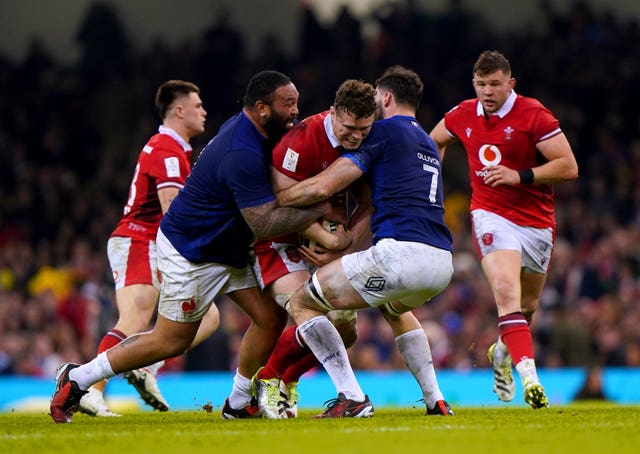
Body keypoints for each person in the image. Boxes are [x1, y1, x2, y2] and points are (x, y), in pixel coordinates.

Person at [50, 70, 332, 423]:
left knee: (269, 316)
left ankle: (238, 402)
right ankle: (79, 378)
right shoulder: (240, 152)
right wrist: (319, 210)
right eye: (288, 103)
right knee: (170, 341)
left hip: (226, 246)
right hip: (194, 252)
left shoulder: (257, 133)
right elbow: (262, 222)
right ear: (262, 108)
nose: (296, 111)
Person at [253, 77, 453, 418]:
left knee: (303, 301)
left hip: (399, 253)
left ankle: (324, 390)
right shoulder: (426, 141)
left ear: (385, 98)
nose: (359, 134)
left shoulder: (384, 133)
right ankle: (436, 400)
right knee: (391, 311)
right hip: (440, 262)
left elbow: (323, 187)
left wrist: (273, 202)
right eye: (351, 126)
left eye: (366, 123)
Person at [429, 50, 579, 409]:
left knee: (527, 307)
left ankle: (501, 353)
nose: (487, 91)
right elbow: (434, 141)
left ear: (510, 83)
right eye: (481, 84)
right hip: (490, 214)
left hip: (537, 222)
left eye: (495, 84)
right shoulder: (463, 114)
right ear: (474, 84)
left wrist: (520, 176)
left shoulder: (533, 114)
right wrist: (431, 189)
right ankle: (531, 379)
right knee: (506, 292)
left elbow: (568, 166)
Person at [79, 79, 220, 417]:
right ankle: (88, 390)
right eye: (198, 105)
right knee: (137, 315)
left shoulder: (178, 151)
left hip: (160, 244)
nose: (204, 111)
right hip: (140, 239)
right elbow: (173, 214)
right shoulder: (166, 150)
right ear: (179, 110)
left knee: (209, 316)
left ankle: (146, 367)